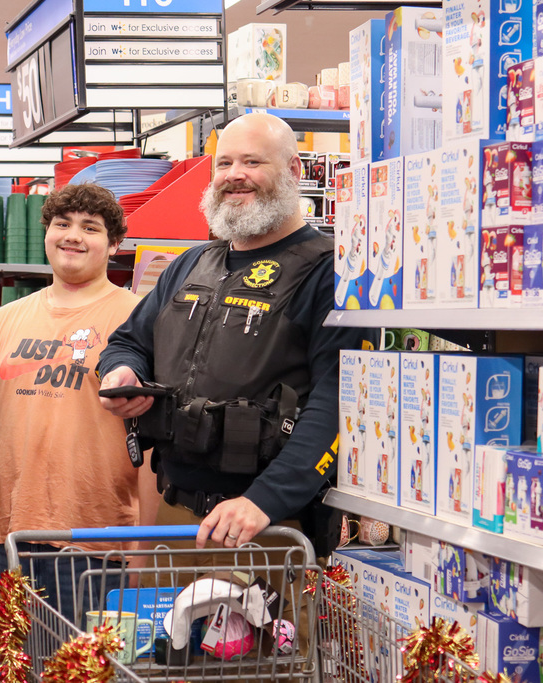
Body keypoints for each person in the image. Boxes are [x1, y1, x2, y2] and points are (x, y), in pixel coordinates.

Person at [97, 112, 372, 555]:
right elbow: (128, 342)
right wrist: (123, 372)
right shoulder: (190, 265)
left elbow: (339, 400)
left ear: (294, 170)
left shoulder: (331, 273)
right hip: (176, 519)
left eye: (252, 162)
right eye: (224, 164)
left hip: (268, 527)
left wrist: (265, 500)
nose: (235, 176)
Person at [0, 183, 160, 683]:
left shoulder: (136, 319)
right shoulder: (7, 320)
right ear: (47, 232)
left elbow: (151, 442)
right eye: (63, 224)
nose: (73, 237)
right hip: (8, 540)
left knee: (84, 677)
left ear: (115, 244)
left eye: (91, 228)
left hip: (97, 545)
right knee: (6, 674)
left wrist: (143, 545)